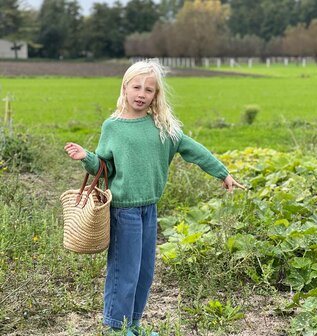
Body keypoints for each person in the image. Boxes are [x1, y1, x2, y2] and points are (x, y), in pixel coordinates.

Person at [64, 59, 244, 336]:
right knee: (124, 271)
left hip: (149, 208)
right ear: (125, 88)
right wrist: (85, 157)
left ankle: (132, 324)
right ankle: (116, 327)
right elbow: (105, 168)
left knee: (145, 271)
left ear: (156, 95)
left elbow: (194, 150)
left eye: (149, 90)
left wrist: (222, 173)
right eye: (136, 87)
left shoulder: (163, 127)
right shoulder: (113, 127)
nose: (141, 94)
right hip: (123, 211)